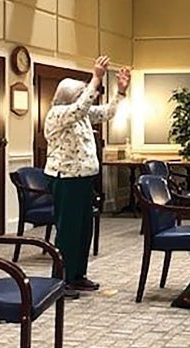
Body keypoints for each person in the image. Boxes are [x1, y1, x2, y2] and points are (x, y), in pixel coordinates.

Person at [43, 56, 131, 296]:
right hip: (66, 178)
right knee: (68, 230)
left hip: (82, 178)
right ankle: (61, 280)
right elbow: (81, 106)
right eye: (82, 93)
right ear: (70, 95)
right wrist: (96, 78)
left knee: (83, 230)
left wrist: (121, 92)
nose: (87, 96)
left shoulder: (80, 115)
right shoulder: (59, 113)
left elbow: (107, 113)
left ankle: (77, 275)